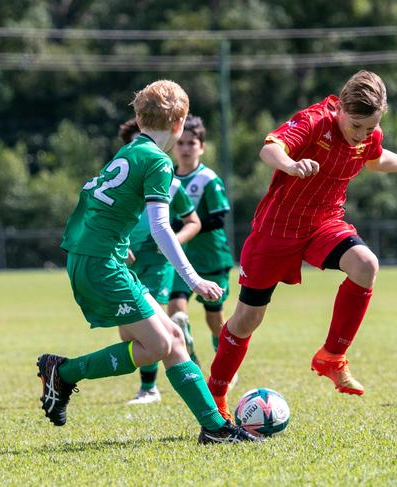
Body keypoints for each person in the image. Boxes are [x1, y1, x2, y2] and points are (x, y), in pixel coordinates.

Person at [36, 80, 261, 444]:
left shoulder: (130, 150)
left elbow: (91, 197)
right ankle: (64, 371)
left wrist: (114, 242)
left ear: (139, 120)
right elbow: (160, 226)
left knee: (173, 338)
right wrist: (193, 280)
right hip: (100, 263)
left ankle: (215, 428)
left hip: (98, 256)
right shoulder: (158, 161)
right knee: (157, 344)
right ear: (179, 124)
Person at [206, 70, 397, 419]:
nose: (361, 135)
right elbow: (270, 149)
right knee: (247, 319)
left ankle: (332, 356)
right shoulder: (315, 121)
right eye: (356, 126)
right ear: (339, 107)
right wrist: (291, 165)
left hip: (323, 224)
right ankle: (216, 395)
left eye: (369, 129)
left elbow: (375, 156)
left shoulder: (367, 135)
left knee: (366, 265)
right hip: (276, 230)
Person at [117, 117, 202, 405]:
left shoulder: (170, 183)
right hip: (126, 267)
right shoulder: (121, 185)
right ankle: (180, 332)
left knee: (150, 327)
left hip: (156, 264)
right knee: (127, 333)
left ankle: (149, 389)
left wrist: (171, 242)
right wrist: (118, 246)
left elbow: (193, 222)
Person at [167, 115, 235, 376]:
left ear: (201, 147)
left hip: (211, 259)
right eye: (180, 143)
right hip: (179, 257)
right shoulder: (166, 178)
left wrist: (185, 227)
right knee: (176, 314)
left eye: (191, 143)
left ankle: (225, 362)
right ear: (173, 146)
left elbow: (218, 217)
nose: (185, 148)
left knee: (214, 319)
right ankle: (190, 358)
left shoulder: (208, 179)